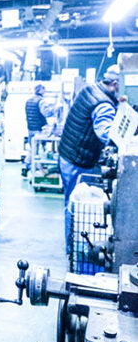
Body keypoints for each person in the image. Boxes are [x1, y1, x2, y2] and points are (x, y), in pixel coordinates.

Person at [58, 65, 120, 254]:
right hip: (77, 159)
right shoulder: (103, 104)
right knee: (75, 204)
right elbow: (107, 134)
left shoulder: (91, 89)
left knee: (71, 200)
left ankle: (72, 244)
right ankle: (73, 250)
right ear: (115, 84)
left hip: (68, 153)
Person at [22, 83, 56, 177]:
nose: (45, 91)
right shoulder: (41, 101)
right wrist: (55, 109)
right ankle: (35, 169)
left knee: (32, 148)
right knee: (38, 151)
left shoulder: (28, 101)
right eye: (44, 89)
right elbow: (47, 113)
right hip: (39, 129)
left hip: (30, 128)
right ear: (40, 90)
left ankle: (27, 166)